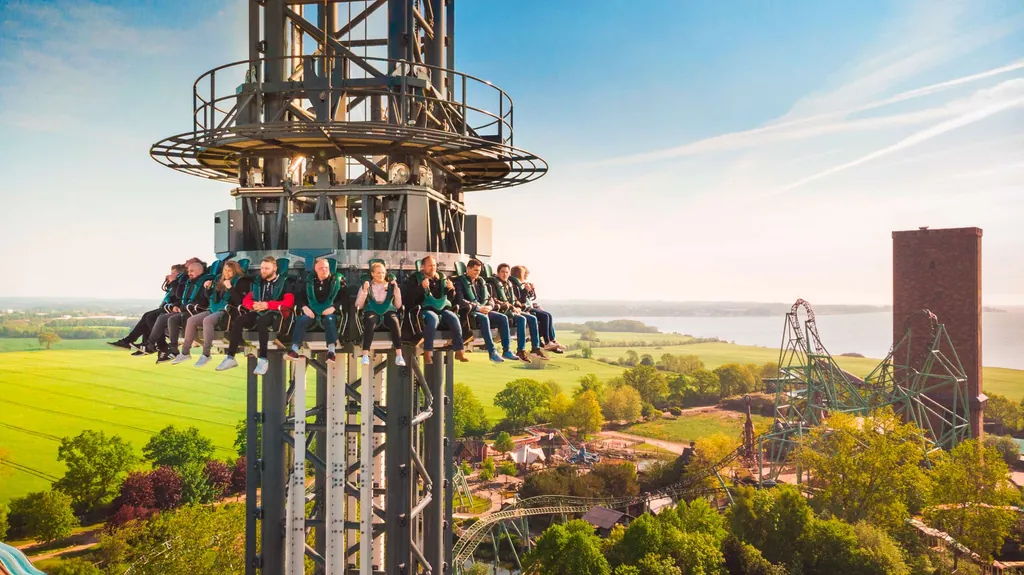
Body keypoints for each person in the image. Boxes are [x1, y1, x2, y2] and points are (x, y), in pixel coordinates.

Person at [217, 256, 295, 375]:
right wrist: (254, 305)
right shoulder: (258, 282)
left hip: (276, 314)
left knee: (262, 322)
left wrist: (268, 305)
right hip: (258, 310)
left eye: (267, 268)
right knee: (239, 320)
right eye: (262, 268)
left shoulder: (285, 282)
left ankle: (263, 359)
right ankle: (230, 357)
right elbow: (246, 300)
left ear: (274, 268)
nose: (263, 271)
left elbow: (289, 302)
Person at [173, 260, 248, 367]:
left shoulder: (240, 281)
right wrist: (207, 288)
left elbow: (239, 301)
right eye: (225, 270)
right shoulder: (219, 280)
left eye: (230, 270)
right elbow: (210, 297)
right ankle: (185, 352)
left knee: (207, 320)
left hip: (227, 311)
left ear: (235, 271)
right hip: (214, 308)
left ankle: (206, 354)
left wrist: (230, 288)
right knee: (191, 320)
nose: (227, 273)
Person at [405, 256, 469, 365]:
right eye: (430, 265)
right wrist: (421, 288)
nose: (433, 268)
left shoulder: (441, 278)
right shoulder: (415, 279)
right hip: (424, 310)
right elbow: (409, 299)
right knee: (433, 319)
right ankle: (427, 352)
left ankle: (459, 351)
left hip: (442, 309)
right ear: (423, 266)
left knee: (454, 318)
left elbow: (450, 299)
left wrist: (451, 289)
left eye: (434, 265)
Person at [453, 258, 517, 364]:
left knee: (503, 318)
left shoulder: (480, 282)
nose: (477, 273)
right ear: (468, 269)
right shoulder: (459, 282)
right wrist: (478, 308)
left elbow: (490, 298)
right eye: (475, 270)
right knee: (484, 318)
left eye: (478, 271)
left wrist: (490, 307)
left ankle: (506, 350)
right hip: (470, 312)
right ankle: (492, 352)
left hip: (484, 309)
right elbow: (460, 300)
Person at [111, 264, 186, 352]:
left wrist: (173, 282)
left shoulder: (181, 282)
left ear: (179, 274)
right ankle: (136, 342)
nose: (170, 275)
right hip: (169, 306)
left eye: (173, 273)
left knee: (150, 317)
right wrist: (170, 283)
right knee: (147, 315)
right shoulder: (176, 282)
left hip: (174, 307)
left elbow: (179, 296)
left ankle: (158, 345)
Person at [147, 259, 208, 363]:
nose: (189, 273)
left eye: (192, 271)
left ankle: (173, 348)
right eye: (188, 271)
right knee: (161, 317)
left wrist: (183, 307)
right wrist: (176, 306)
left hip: (196, 311)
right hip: (185, 309)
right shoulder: (190, 282)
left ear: (200, 271)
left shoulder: (204, 282)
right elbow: (181, 298)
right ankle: (150, 344)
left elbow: (203, 301)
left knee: (172, 319)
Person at [286, 258, 347, 363]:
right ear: (315, 269)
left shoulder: (337, 281)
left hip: (330, 312)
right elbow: (298, 297)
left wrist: (334, 307)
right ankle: (294, 350)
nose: (324, 270)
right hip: (311, 312)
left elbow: (345, 299)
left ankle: (331, 352)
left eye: (326, 267)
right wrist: (304, 307)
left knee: (329, 320)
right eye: (321, 268)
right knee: (301, 320)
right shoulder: (309, 281)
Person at [491, 263, 547, 362]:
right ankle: (520, 351)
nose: (504, 274)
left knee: (532, 318)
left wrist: (518, 306)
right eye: (502, 272)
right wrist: (512, 307)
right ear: (498, 273)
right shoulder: (493, 284)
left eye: (507, 272)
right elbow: (494, 299)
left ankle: (535, 348)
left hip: (513, 309)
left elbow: (515, 299)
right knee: (522, 319)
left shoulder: (508, 284)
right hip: (502, 310)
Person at [354, 261, 405, 367]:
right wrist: (364, 291)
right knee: (370, 322)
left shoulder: (390, 286)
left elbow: (398, 305)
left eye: (383, 272)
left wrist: (396, 291)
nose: (381, 275)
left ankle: (399, 354)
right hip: (372, 310)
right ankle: (365, 354)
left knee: (394, 321)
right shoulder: (367, 285)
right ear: (372, 274)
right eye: (378, 273)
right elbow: (358, 305)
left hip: (388, 310)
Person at [510, 265, 564, 353]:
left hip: (528, 306)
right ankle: (547, 342)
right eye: (524, 274)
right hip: (524, 308)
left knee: (548, 315)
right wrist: (526, 290)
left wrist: (531, 290)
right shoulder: (514, 285)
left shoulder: (520, 284)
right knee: (545, 316)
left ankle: (552, 340)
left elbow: (529, 298)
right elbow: (521, 300)